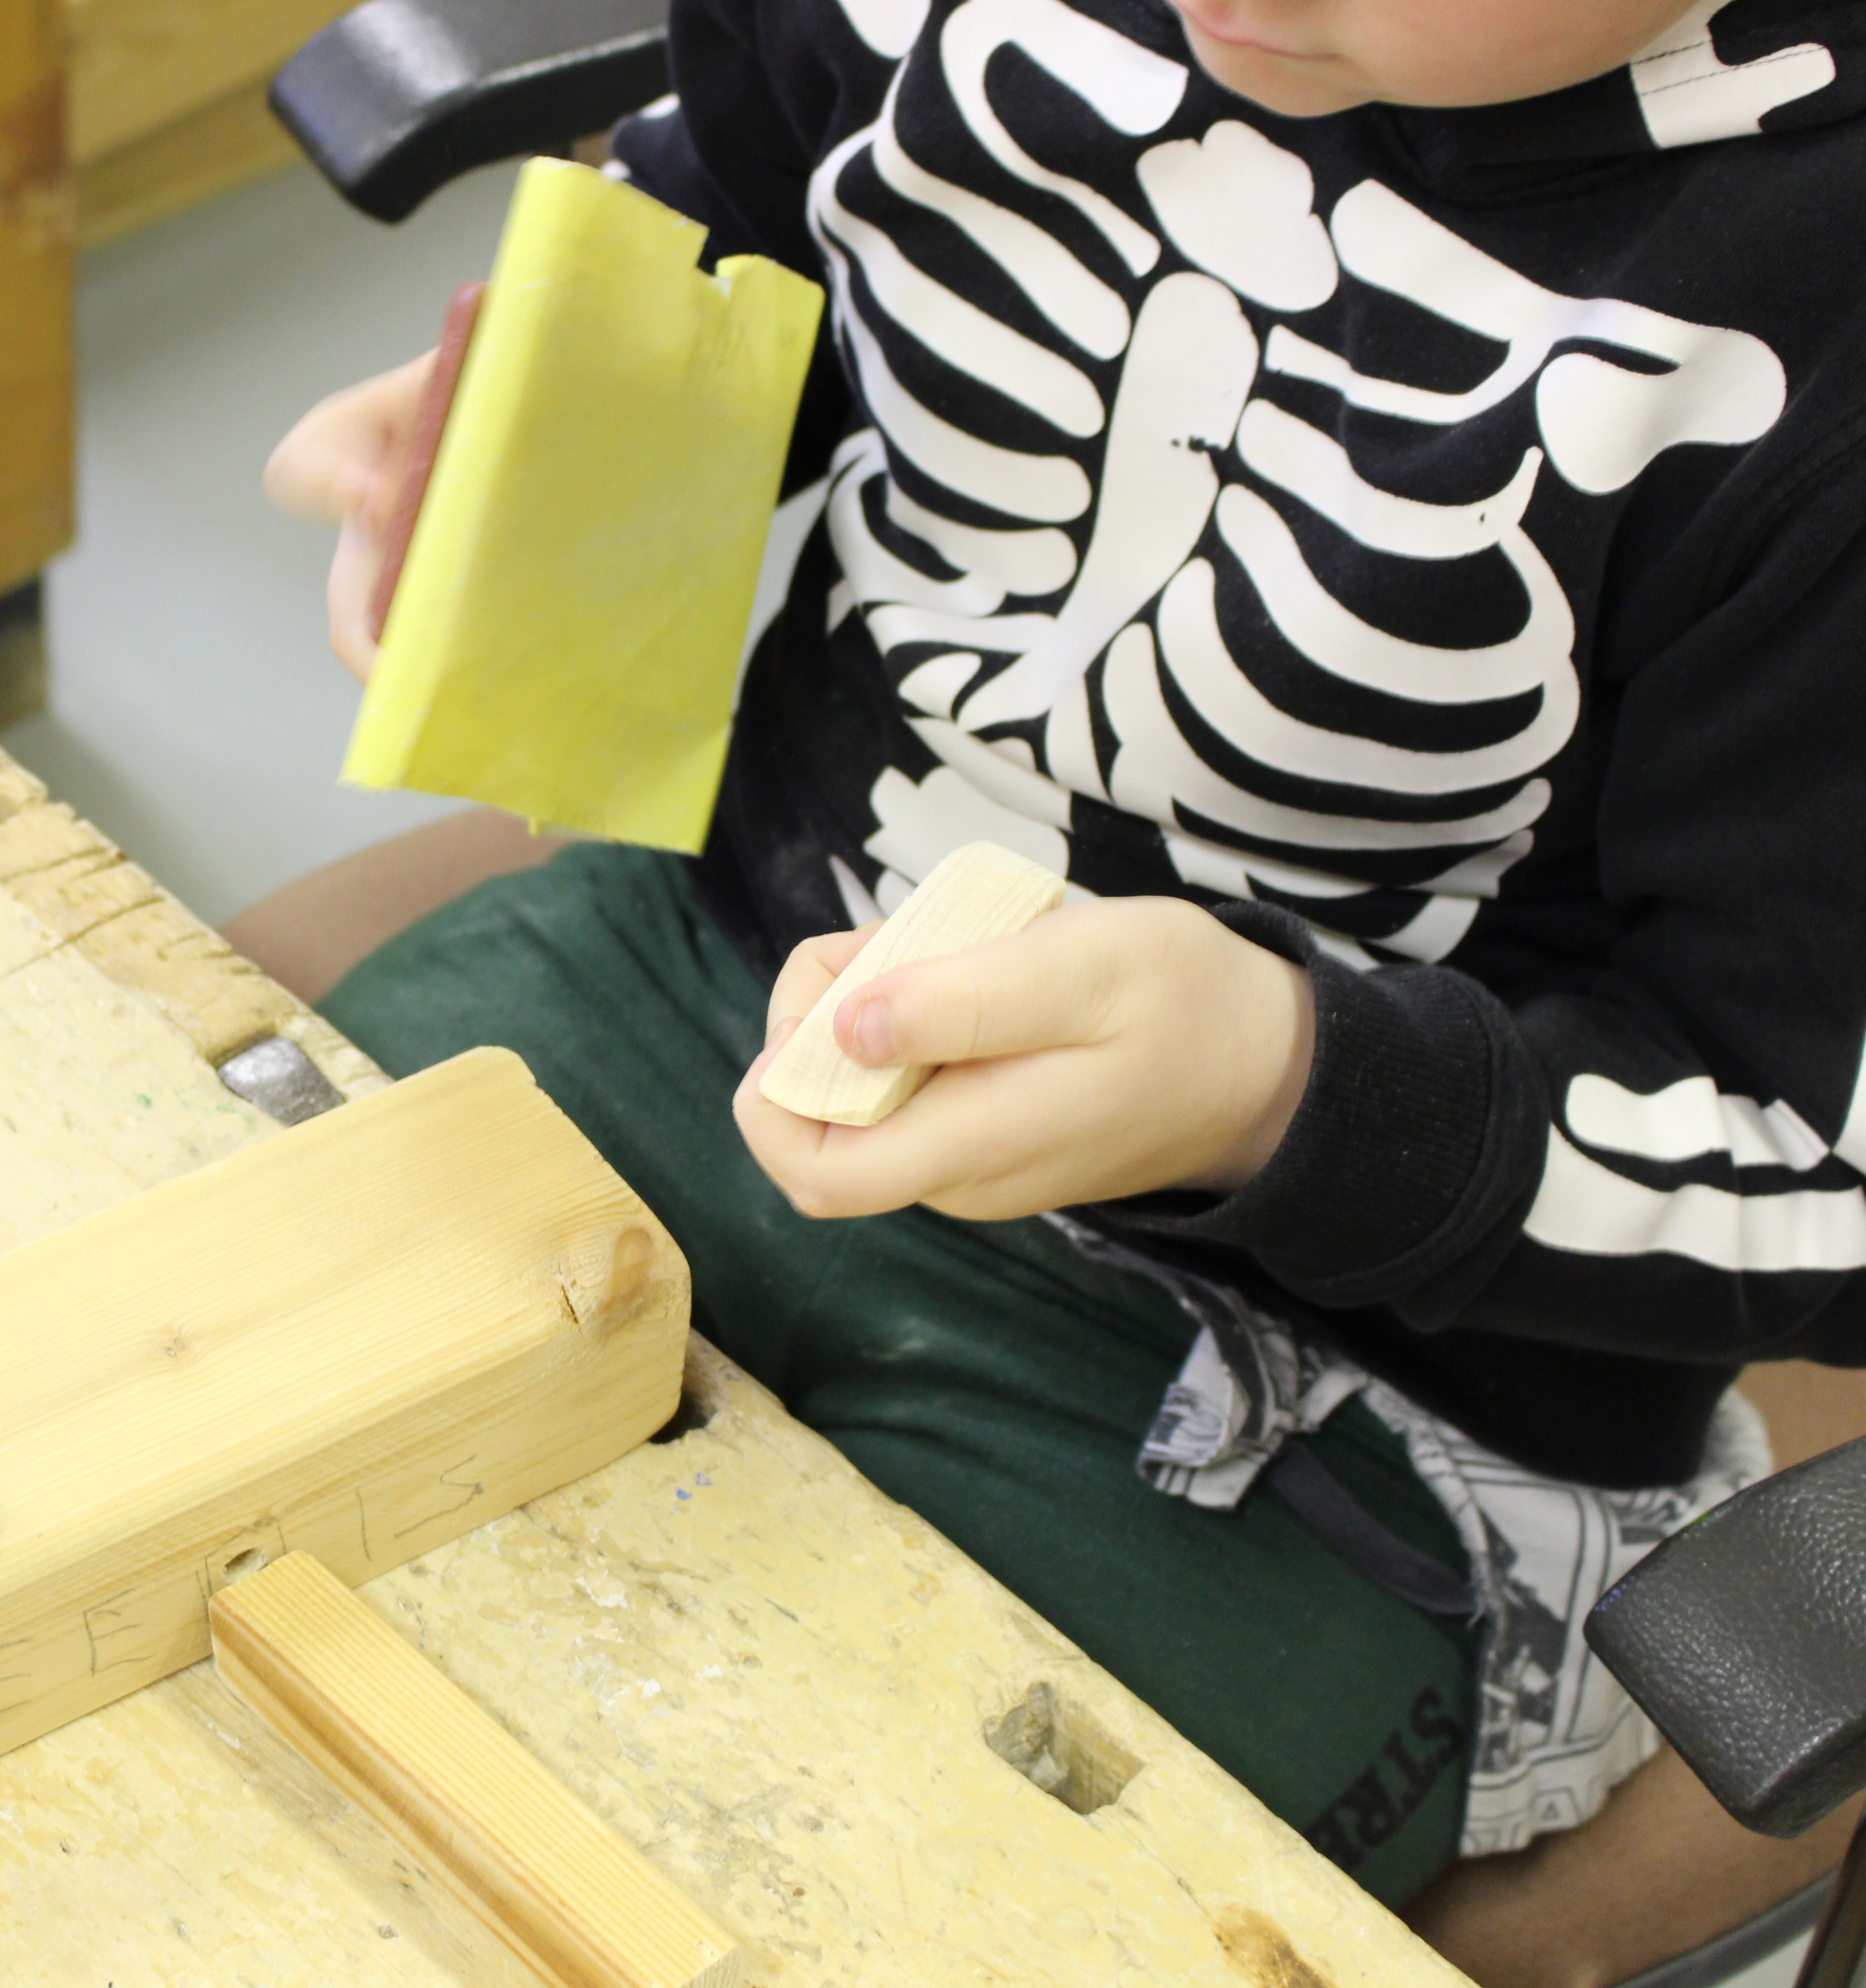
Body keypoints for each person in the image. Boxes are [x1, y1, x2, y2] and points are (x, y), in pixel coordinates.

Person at [248, 0, 1866, 1910]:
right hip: (716, 970)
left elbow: (1813, 1170)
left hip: (1356, 1384)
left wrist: (1286, 1087)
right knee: (182, 1385)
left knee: (829, 1881)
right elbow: (764, 218)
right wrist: (559, 427)